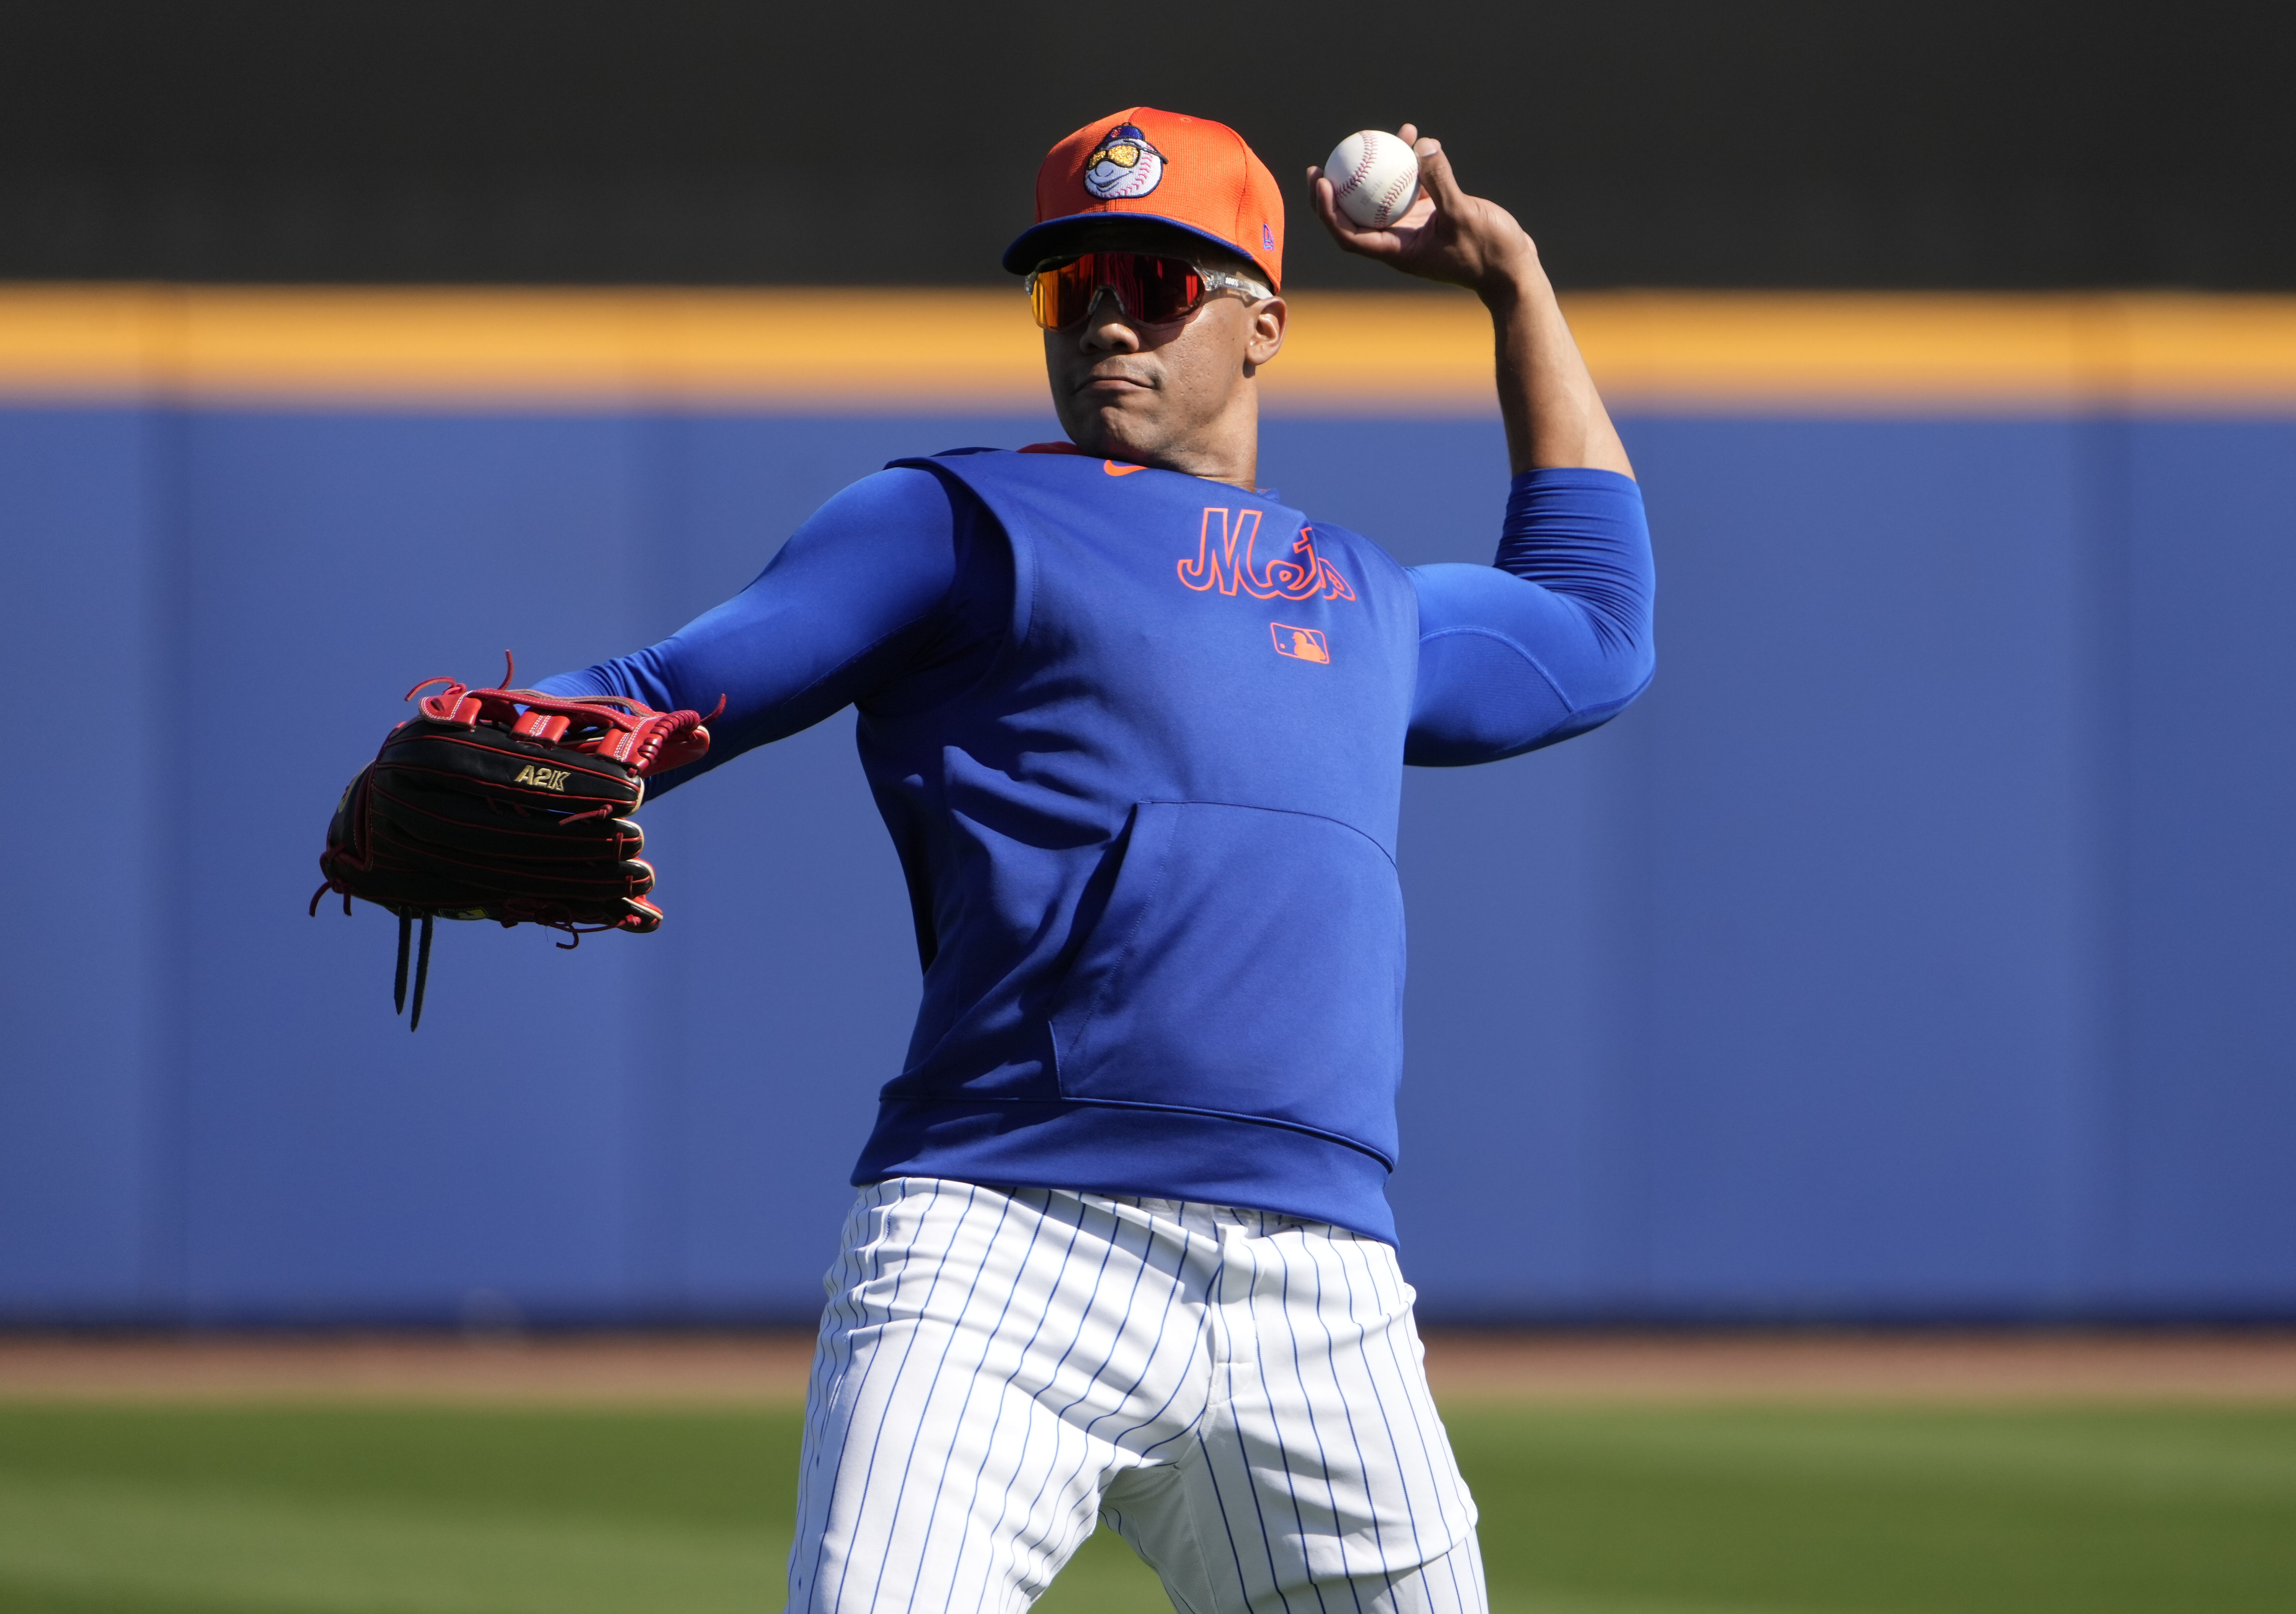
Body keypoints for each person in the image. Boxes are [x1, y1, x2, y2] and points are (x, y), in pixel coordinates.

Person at [535, 107, 1655, 1614]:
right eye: (1073, 287)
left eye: (1157, 280)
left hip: (1320, 1288)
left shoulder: (1369, 600)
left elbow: (1594, 628)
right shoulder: (956, 519)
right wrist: (530, 751)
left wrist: (1511, 281)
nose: (1109, 318)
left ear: (1264, 322)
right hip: (1005, 1244)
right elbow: (669, 690)